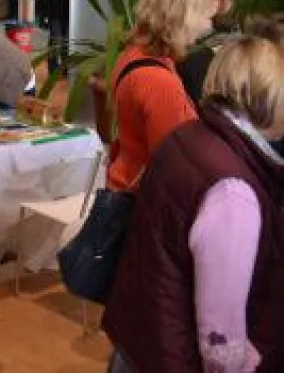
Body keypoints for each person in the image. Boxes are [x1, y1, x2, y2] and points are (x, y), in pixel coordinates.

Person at [103, 37, 284, 373]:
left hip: (142, 341)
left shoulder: (187, 136)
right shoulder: (232, 191)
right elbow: (221, 343)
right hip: (171, 356)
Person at [107, 0, 229, 191]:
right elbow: (176, 164)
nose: (209, 27)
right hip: (145, 198)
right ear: (185, 15)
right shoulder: (158, 80)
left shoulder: (133, 55)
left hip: (126, 182)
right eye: (208, 16)